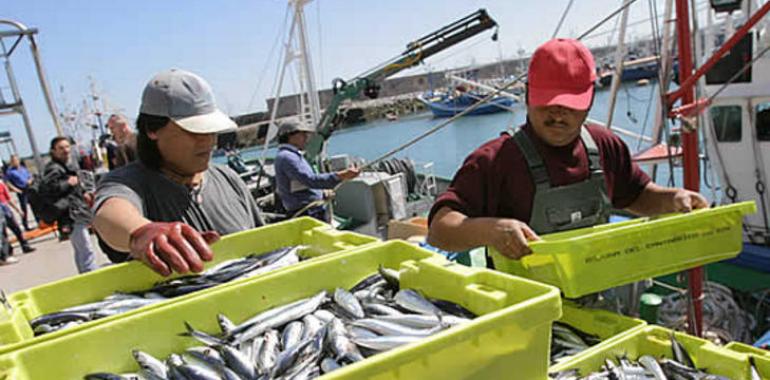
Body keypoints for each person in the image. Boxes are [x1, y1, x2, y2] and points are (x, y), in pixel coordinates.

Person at [427, 38, 708, 260]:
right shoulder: (494, 159)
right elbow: (440, 229)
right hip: (523, 306)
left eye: (569, 105)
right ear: (527, 95)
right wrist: (491, 230)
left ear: (587, 102)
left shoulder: (605, 146)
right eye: (547, 102)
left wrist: (673, 199)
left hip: (595, 298)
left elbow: (636, 194)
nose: (558, 115)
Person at [92, 69, 265, 276]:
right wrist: (141, 233)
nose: (208, 141)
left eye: (211, 130)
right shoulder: (129, 183)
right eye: (194, 131)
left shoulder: (229, 179)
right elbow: (110, 213)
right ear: (152, 129)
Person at [273, 121, 360, 221]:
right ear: (290, 136)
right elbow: (310, 180)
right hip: (307, 213)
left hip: (310, 211)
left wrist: (322, 193)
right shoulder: (287, 157)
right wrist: (342, 175)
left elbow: (300, 184)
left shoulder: (288, 156)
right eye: (303, 134)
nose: (306, 138)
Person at [43, 136, 98, 273]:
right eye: (61, 148)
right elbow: (49, 188)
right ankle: (91, 275)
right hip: (69, 214)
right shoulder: (54, 168)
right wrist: (68, 183)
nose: (66, 150)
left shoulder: (66, 165)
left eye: (67, 147)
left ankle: (86, 274)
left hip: (75, 211)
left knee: (82, 248)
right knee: (85, 247)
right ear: (53, 151)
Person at [0, 179, 35, 253]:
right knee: (3, 233)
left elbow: (8, 199)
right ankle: (8, 250)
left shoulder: (2, 184)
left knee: (17, 229)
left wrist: (18, 210)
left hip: (6, 211)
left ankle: (25, 246)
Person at [5, 155, 35, 231]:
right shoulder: (10, 172)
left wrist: (30, 180)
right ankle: (25, 225)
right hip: (21, 190)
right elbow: (7, 183)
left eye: (17, 160)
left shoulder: (23, 168)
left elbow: (30, 176)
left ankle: (39, 221)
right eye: (14, 161)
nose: (16, 162)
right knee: (24, 209)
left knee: (34, 205)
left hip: (29, 188)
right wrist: (15, 189)